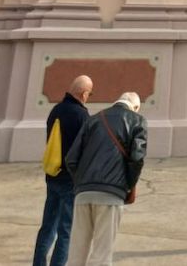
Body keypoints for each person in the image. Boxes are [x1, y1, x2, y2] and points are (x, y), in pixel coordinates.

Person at [65, 90, 147, 266]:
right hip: (111, 195)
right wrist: (128, 185)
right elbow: (137, 159)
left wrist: (82, 183)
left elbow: (71, 159)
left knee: (76, 253)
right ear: (135, 107)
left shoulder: (93, 119)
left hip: (83, 193)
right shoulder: (137, 120)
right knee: (101, 255)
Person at [31, 74, 93, 266]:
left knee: (47, 227)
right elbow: (87, 149)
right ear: (84, 94)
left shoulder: (56, 110)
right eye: (90, 94)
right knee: (66, 231)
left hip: (52, 175)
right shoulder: (81, 115)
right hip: (70, 179)